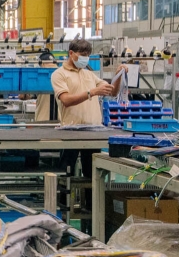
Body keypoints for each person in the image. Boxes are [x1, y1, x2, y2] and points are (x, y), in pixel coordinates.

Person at [51, 39, 128, 181]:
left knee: (91, 175)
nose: (85, 58)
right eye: (82, 54)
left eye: (87, 55)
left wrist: (118, 76)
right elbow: (66, 100)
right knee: (65, 174)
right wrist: (91, 92)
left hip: (93, 132)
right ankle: (63, 201)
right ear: (71, 53)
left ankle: (90, 203)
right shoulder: (59, 74)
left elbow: (112, 92)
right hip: (71, 131)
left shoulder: (89, 74)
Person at [20, 51, 58, 121]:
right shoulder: (63, 74)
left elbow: (22, 96)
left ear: (42, 64)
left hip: (42, 120)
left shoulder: (38, 76)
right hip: (61, 121)